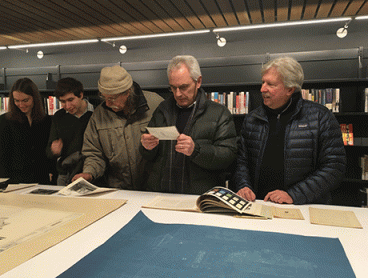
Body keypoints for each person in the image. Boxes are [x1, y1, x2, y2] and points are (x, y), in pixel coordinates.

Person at [232, 56, 346, 205]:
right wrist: (243, 186)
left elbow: (334, 167)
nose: (262, 89)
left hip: (302, 206)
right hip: (257, 204)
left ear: (290, 89)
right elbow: (241, 161)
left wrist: (294, 195)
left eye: (270, 84)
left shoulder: (320, 117)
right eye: (263, 82)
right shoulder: (252, 118)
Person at [140, 55, 238, 195]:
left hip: (198, 197)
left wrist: (196, 150)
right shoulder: (163, 109)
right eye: (173, 88)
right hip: (161, 194)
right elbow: (149, 157)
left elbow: (228, 157)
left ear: (198, 81)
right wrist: (146, 147)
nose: (178, 94)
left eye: (184, 87)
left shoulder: (219, 113)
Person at [72, 65, 164, 189]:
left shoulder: (156, 104)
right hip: (118, 189)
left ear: (127, 92)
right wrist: (89, 172)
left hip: (153, 188)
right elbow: (94, 153)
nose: (108, 103)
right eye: (104, 97)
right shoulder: (99, 115)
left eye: (112, 98)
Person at [0, 77, 53, 184]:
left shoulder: (46, 120)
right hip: (16, 180)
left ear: (34, 98)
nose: (21, 105)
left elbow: (45, 151)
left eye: (25, 100)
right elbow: (2, 156)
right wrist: (3, 184)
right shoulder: (6, 120)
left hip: (41, 178)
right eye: (16, 101)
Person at [46, 77, 94, 186]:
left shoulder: (95, 114)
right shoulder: (59, 117)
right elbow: (49, 151)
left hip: (91, 174)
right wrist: (54, 151)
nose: (67, 106)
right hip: (66, 175)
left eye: (71, 100)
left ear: (81, 95)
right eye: (63, 102)